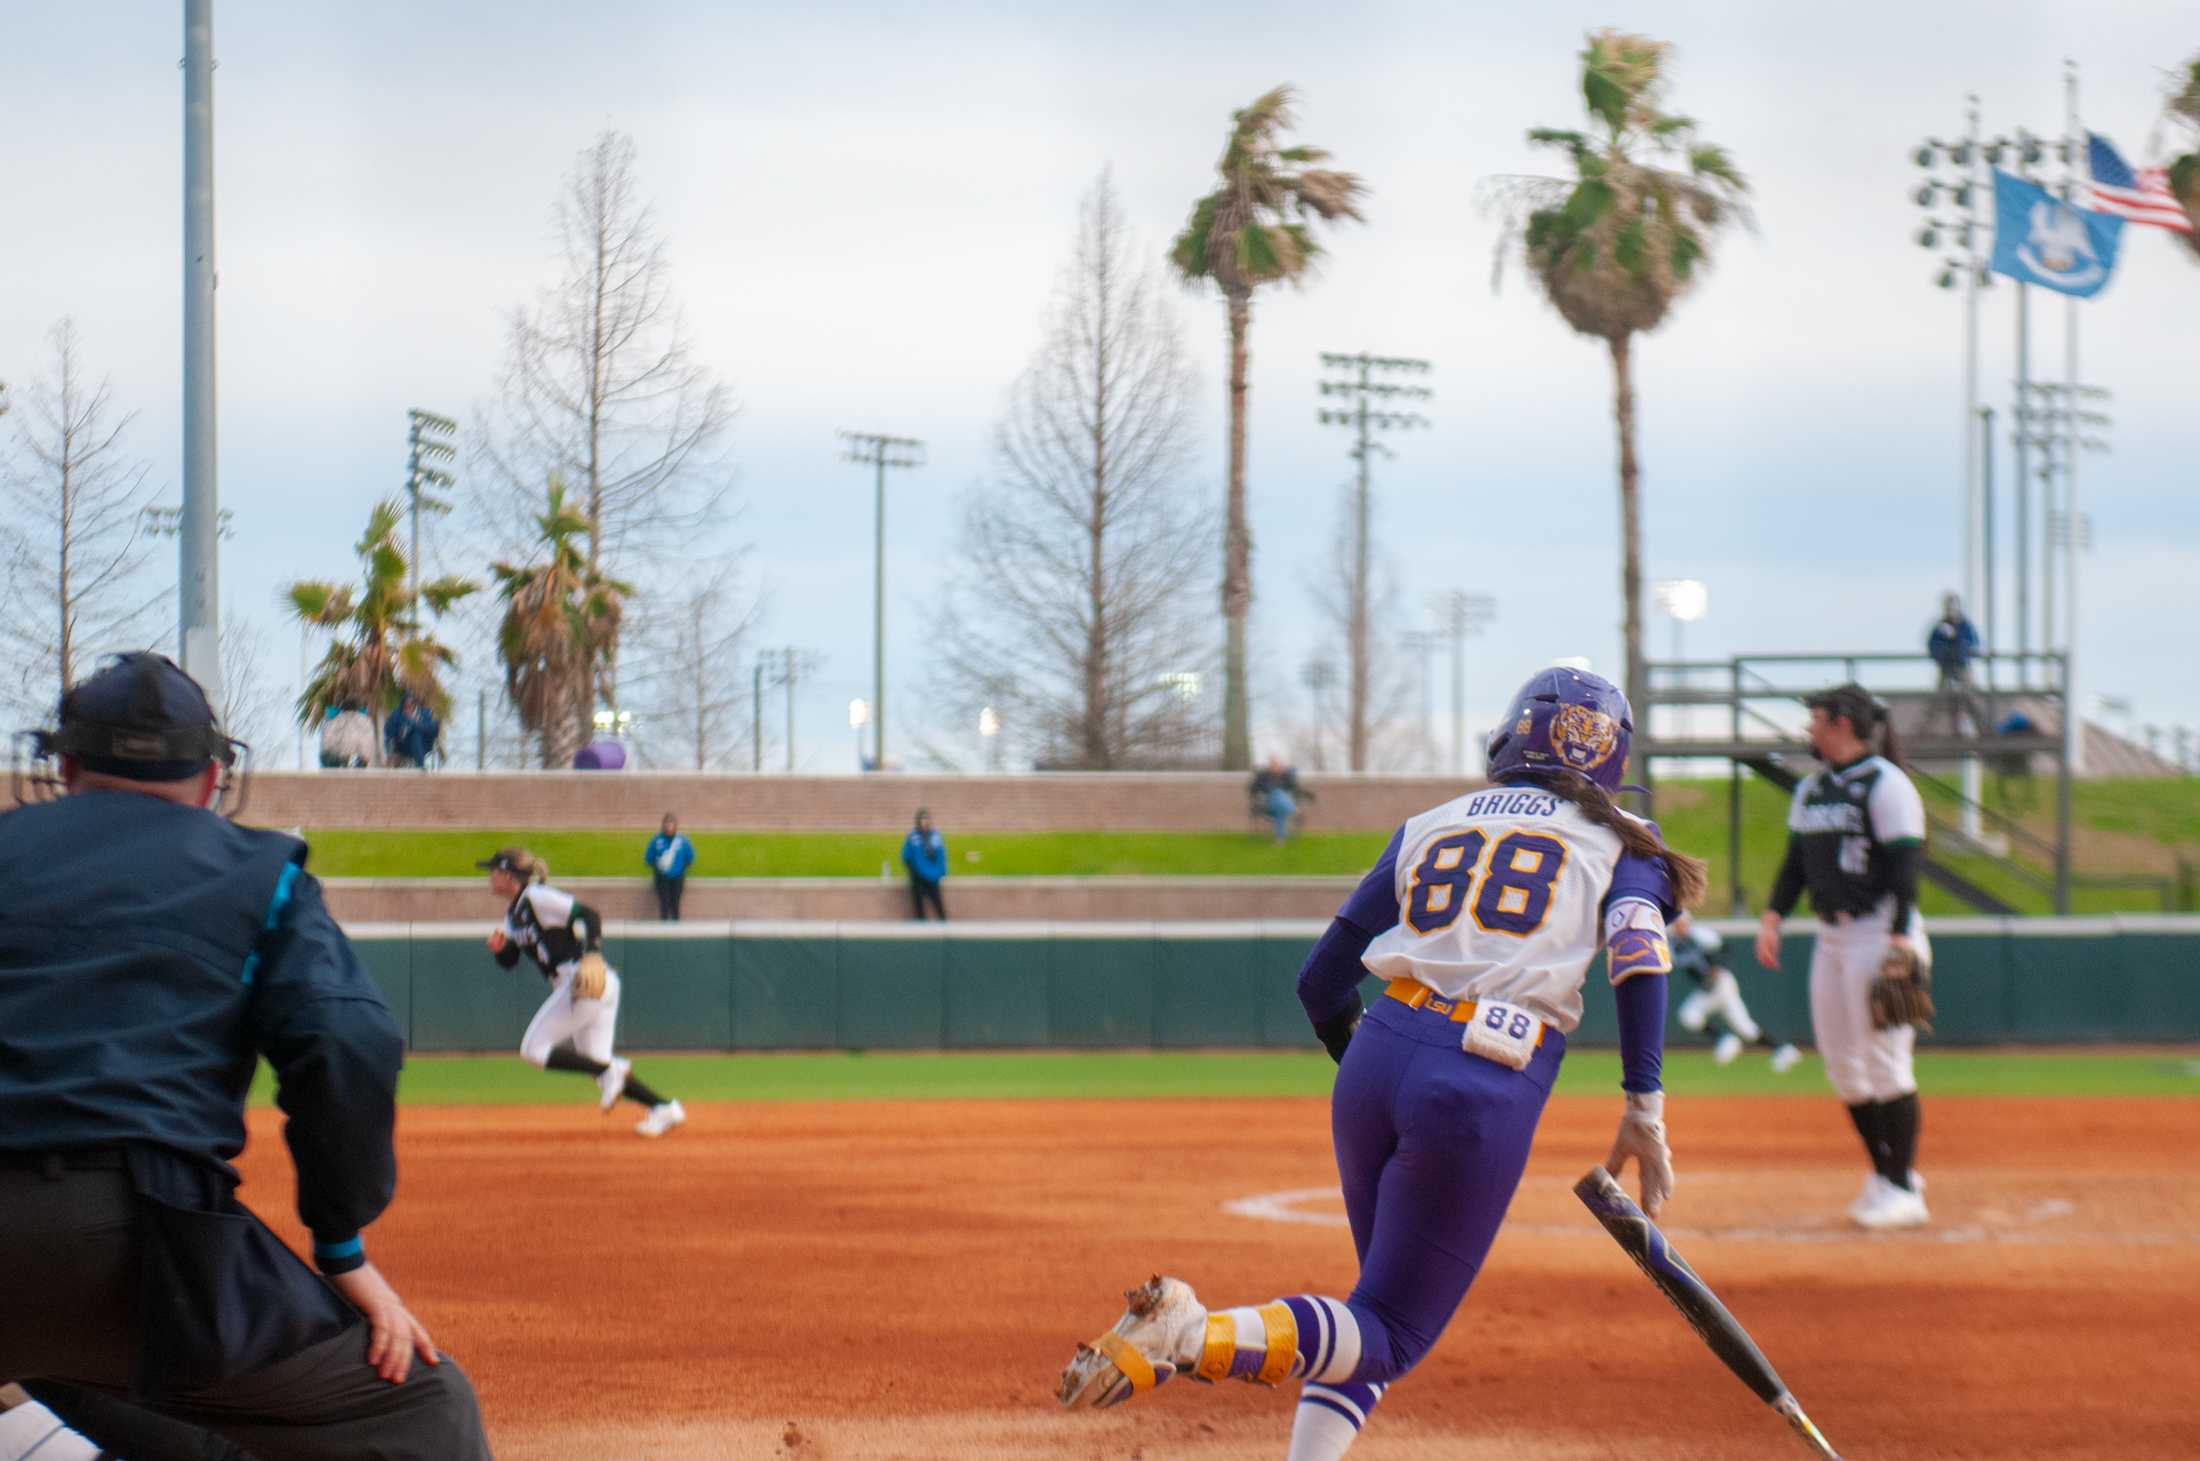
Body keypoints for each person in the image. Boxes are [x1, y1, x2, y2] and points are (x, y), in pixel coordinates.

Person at [1058, 667, 1703, 1460]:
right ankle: (1193, 1332)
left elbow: (1320, 981)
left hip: (1377, 1050)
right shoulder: (1623, 844)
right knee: (1391, 1332)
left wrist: (1378, 1065)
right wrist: (1644, 1102)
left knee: (1368, 1317)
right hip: (1484, 1076)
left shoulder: (1431, 822)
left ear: (1514, 734)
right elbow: (1639, 955)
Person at [0, 652, 491, 1460]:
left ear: (65, 764)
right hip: (137, 1245)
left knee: (52, 1374)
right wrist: (340, 1246)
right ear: (213, 778)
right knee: (426, 1410)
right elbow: (347, 1037)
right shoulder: (258, 873)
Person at [1753, 683, 1933, 1230]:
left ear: (1840, 723)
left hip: (1881, 934)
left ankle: (1904, 1188)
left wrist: (1900, 938)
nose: (1808, 729)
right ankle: (1885, 1174)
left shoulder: (1886, 784)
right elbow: (1796, 864)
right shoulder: (1812, 789)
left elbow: (1905, 866)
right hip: (1832, 940)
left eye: (1815, 718)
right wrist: (1773, 917)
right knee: (1843, 1066)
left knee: (1885, 1062)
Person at [480, 847, 686, 1136]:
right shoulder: (512, 916)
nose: (489, 877)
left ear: (507, 874)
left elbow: (589, 914)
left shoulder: (537, 897)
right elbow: (509, 961)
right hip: (586, 987)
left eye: (493, 871)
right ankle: (663, 1108)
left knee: (532, 1049)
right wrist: (500, 951)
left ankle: (610, 1072)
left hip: (584, 980)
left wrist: (593, 953)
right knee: (597, 1064)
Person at [1670, 913, 1802, 1071]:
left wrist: (1718, 967)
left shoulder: (1701, 935)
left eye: (1682, 923)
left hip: (1722, 984)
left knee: (1744, 1027)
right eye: (1677, 923)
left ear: (1688, 922)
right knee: (1689, 1016)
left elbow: (1726, 950)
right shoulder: (1673, 944)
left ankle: (1781, 1049)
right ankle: (1730, 1041)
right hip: (1707, 989)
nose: (1679, 926)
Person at [1925, 593, 1984, 736]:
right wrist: (1944, 652)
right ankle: (1927, 730)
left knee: (1969, 697)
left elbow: (1973, 643)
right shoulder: (1940, 626)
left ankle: (1983, 729)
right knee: (1940, 699)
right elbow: (1933, 646)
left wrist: (1958, 642)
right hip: (1946, 668)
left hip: (1962, 667)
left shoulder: (1964, 625)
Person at [644, 812, 696, 922]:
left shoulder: (682, 841)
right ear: (663, 826)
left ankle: (676, 930)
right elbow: (648, 858)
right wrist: (658, 866)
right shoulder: (656, 840)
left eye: (671, 825)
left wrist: (681, 868)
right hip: (662, 878)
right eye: (667, 825)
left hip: (678, 877)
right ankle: (663, 931)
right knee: (664, 904)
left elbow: (690, 858)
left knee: (675, 904)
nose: (669, 827)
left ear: (675, 826)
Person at [1249, 755, 1313, 844]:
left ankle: (1280, 840)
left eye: (1278, 765)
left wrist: (1308, 795)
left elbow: (1297, 789)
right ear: (1269, 766)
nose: (1276, 767)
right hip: (1268, 804)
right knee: (1277, 793)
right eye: (1273, 765)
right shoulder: (1263, 776)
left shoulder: (1286, 776)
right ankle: (1293, 810)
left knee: (1281, 810)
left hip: (1281, 806)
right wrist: (1256, 798)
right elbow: (1252, 789)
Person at [902, 809, 948, 921]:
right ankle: (921, 931)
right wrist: (914, 872)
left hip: (933, 877)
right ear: (918, 821)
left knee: (939, 905)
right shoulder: (913, 837)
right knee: (919, 908)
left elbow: (941, 854)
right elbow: (906, 856)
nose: (925, 821)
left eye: (927, 819)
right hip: (918, 878)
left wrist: (941, 871)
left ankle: (945, 930)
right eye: (923, 819)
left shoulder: (935, 836)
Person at [382, 692, 441, 769]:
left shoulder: (425, 713)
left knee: (416, 731)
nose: (408, 708)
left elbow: (434, 729)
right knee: (415, 734)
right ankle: (421, 767)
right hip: (403, 746)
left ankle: (420, 766)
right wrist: (388, 753)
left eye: (410, 705)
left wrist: (414, 725)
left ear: (415, 705)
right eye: (405, 706)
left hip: (424, 745)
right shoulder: (396, 715)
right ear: (402, 706)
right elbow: (388, 734)